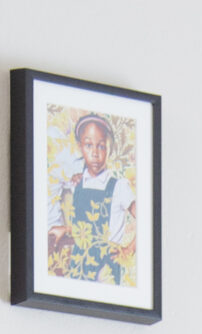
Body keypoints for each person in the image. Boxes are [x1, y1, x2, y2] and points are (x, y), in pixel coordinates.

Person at [48, 111, 136, 285]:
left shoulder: (119, 187)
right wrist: (65, 229)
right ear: (81, 147)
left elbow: (147, 218)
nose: (95, 153)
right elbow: (85, 229)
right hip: (79, 266)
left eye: (101, 146)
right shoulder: (77, 183)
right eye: (88, 145)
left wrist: (130, 249)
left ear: (109, 149)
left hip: (106, 270)